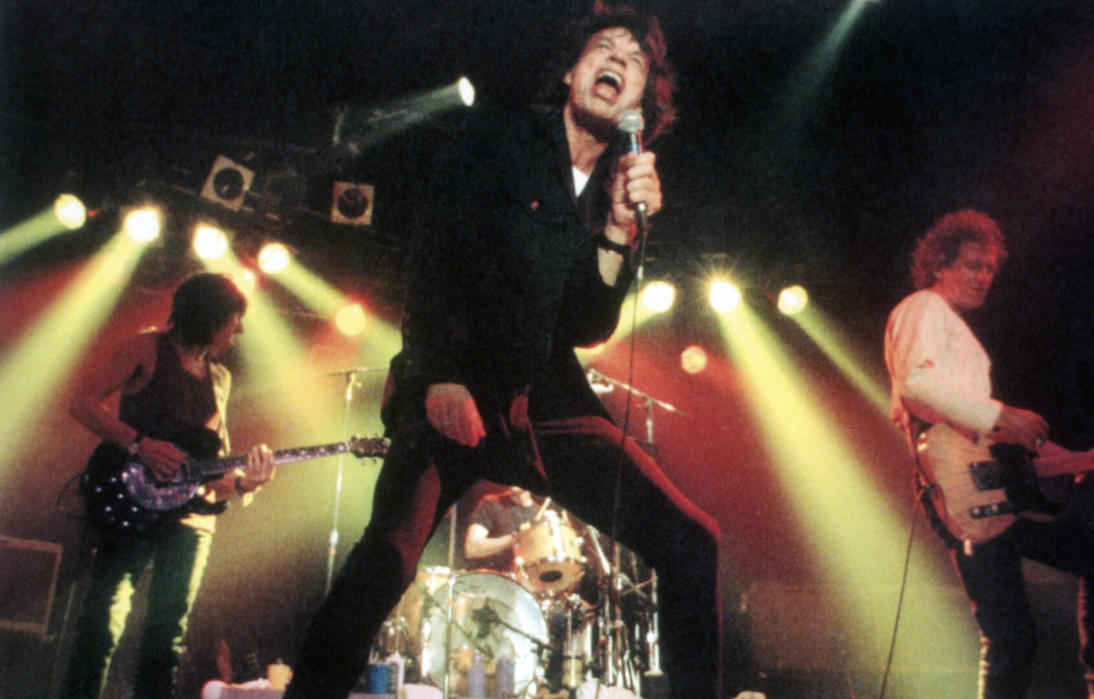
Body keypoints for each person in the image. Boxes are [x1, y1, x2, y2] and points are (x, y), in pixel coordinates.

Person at [284, 5, 720, 698]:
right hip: (454, 378)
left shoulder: (614, 185)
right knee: (389, 555)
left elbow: (585, 323)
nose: (616, 59)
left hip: (543, 397)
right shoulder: (498, 135)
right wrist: (437, 376)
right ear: (575, 71)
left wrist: (615, 229)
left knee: (691, 540)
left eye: (633, 59)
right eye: (603, 48)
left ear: (642, 99)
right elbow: (430, 254)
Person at [883, 210, 1094, 698]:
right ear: (938, 264)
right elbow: (917, 384)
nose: (985, 277)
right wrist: (1001, 414)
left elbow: (979, 431)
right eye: (973, 265)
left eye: (991, 269)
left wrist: (1076, 463)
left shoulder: (953, 328)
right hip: (963, 491)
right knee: (1012, 636)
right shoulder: (922, 308)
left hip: (988, 483)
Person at [61, 272, 276, 699]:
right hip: (130, 503)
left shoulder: (221, 378)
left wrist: (248, 482)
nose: (240, 330)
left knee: (167, 635)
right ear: (209, 316)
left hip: (190, 516)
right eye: (234, 319)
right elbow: (82, 401)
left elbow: (213, 467)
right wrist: (139, 444)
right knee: (102, 621)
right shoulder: (145, 347)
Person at [463, 486, 544, 574]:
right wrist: (514, 538)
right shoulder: (492, 504)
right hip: (488, 577)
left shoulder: (541, 515)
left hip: (522, 581)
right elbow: (472, 548)